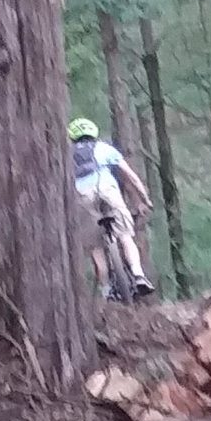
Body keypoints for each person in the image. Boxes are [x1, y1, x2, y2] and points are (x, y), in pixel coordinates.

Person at [68, 116, 154, 297]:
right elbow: (130, 176)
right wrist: (145, 199)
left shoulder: (66, 155)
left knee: (96, 248)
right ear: (94, 133)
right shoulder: (104, 148)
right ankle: (138, 275)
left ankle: (107, 291)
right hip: (107, 190)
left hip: (82, 198)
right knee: (125, 236)